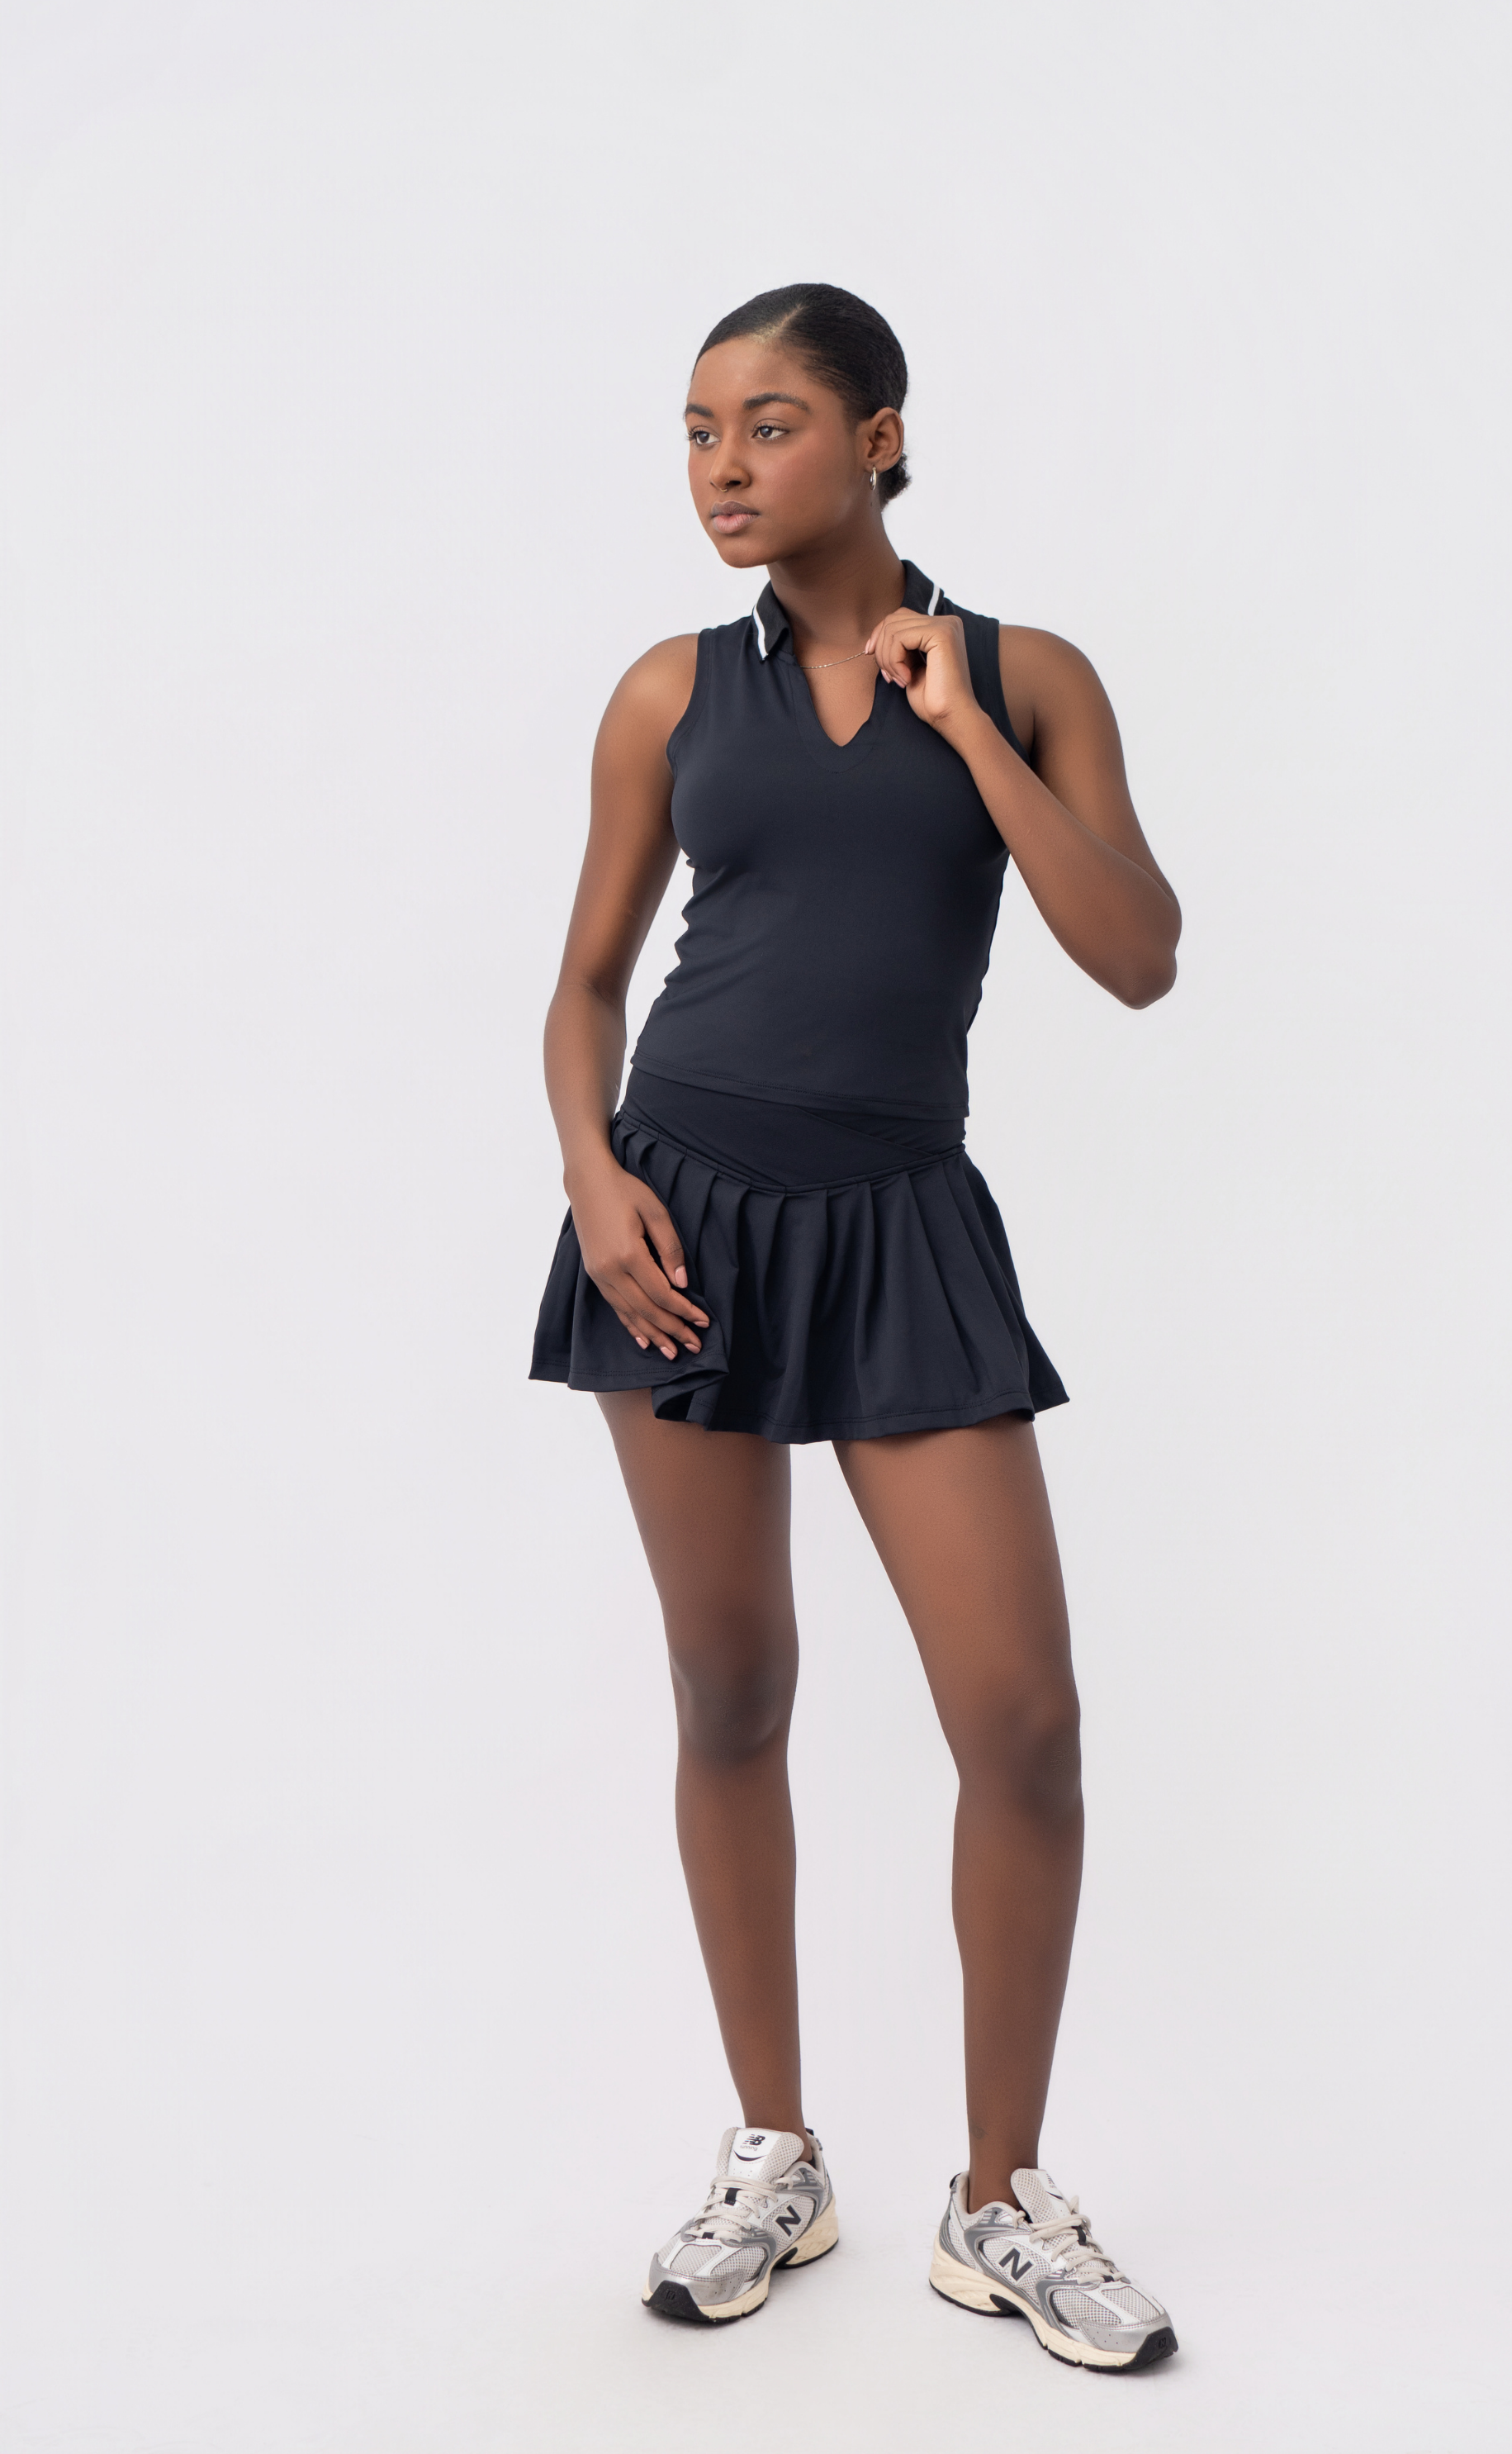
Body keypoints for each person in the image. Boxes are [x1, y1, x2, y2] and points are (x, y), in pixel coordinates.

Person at [532, 284, 1182, 2372]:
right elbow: (586, 982)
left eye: (770, 422)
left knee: (1023, 1725)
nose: (722, 466)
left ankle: (999, 2200)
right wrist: (593, 1177)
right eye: (696, 429)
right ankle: (776, 2156)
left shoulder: (1029, 675)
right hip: (681, 1220)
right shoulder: (665, 692)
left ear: (880, 438)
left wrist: (964, 728)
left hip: (904, 1225)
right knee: (732, 1688)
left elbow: (1140, 954)